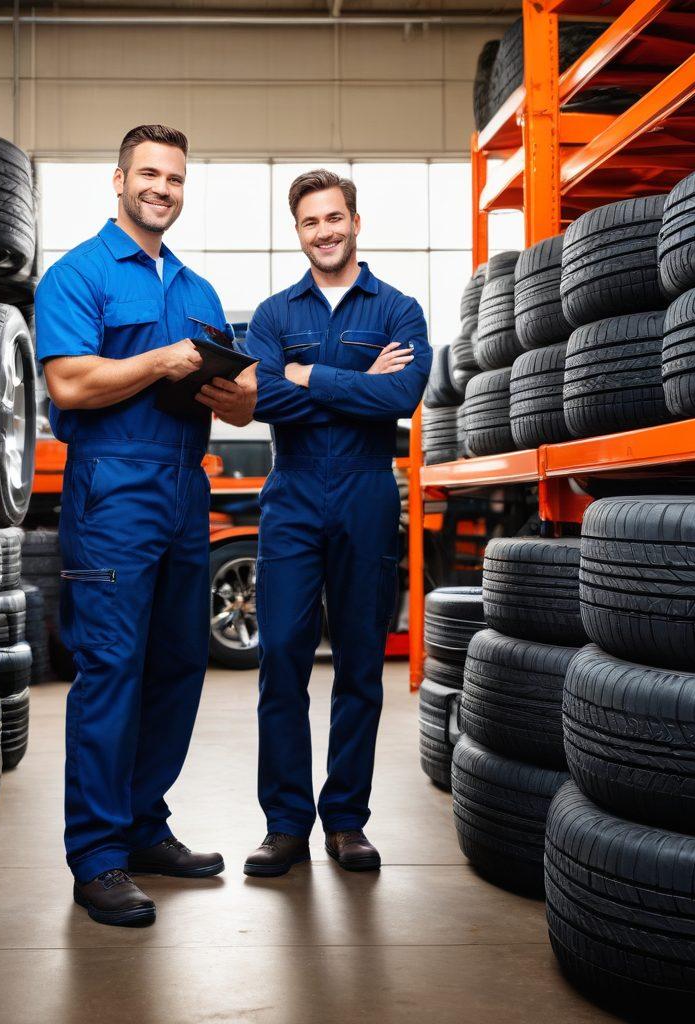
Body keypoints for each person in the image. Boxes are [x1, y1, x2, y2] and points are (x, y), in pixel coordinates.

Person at [35, 124, 256, 927]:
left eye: (176, 178)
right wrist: (158, 363)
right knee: (111, 669)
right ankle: (96, 857)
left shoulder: (197, 293)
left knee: (175, 665)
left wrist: (240, 396)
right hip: (111, 493)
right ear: (119, 179)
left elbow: (239, 398)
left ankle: (142, 826)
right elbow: (69, 384)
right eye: (150, 174)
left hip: (183, 489)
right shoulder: (77, 275)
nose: (163, 188)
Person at [242, 169, 431, 877]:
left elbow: (404, 394)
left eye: (333, 218)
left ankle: (346, 821)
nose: (323, 231)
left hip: (366, 493)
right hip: (290, 495)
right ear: (298, 231)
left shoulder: (398, 310)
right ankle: (286, 823)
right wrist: (357, 389)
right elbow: (261, 399)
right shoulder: (273, 315)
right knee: (281, 659)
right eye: (309, 222)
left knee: (359, 663)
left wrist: (307, 377)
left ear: (356, 221)